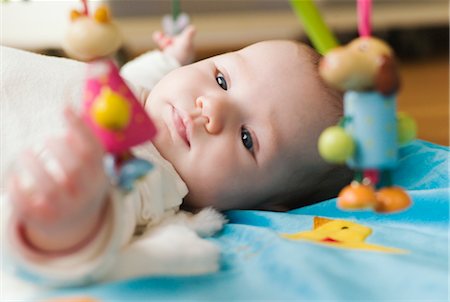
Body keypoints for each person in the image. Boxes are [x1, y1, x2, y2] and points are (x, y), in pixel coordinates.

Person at [4, 24, 351, 286]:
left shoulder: (143, 179)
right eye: (221, 80)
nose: (211, 107)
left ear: (258, 204)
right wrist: (168, 59)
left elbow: (95, 235)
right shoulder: (138, 95)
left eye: (247, 138)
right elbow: (138, 78)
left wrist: (64, 217)